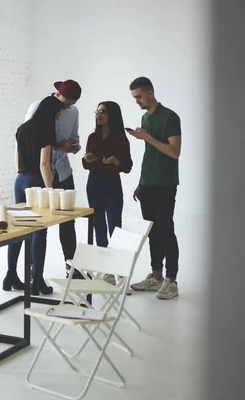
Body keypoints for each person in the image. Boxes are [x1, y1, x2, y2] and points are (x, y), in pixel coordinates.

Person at [127, 77, 181, 300]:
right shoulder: (144, 117)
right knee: (152, 232)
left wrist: (147, 136)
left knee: (166, 230)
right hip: (148, 184)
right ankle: (156, 276)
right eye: (134, 98)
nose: (137, 101)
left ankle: (172, 280)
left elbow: (174, 151)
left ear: (151, 93)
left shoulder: (170, 117)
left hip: (165, 184)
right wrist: (141, 182)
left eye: (139, 96)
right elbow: (149, 154)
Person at [24, 80, 82, 278]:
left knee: (68, 222)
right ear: (58, 94)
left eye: (71, 104)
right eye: (66, 103)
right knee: (39, 224)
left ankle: (71, 267)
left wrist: (73, 146)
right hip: (41, 173)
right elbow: (26, 139)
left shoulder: (73, 112)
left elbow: (76, 139)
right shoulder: (36, 108)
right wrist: (56, 145)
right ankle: (34, 269)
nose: (67, 108)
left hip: (63, 171)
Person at [6, 96, 63, 295]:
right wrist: (50, 190)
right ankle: (37, 280)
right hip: (36, 181)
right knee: (39, 231)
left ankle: (10, 274)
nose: (57, 118)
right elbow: (44, 164)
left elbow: (16, 158)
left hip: (20, 180)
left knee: (18, 228)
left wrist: (23, 174)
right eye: (57, 115)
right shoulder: (45, 130)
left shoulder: (22, 128)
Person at [82, 101, 133, 247]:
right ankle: (102, 263)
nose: (99, 115)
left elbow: (128, 166)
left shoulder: (121, 139)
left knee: (115, 225)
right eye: (97, 112)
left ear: (112, 115)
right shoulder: (92, 137)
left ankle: (116, 265)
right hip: (94, 183)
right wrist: (87, 159)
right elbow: (86, 164)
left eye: (103, 112)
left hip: (112, 184)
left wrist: (116, 161)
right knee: (98, 224)